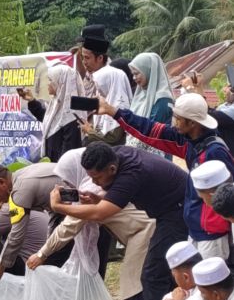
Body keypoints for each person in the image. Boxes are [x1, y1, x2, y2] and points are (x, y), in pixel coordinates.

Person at [50, 142, 188, 300]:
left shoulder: (131, 173)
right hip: (167, 211)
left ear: (111, 170)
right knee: (166, 275)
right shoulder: (117, 157)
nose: (94, 183)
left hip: (178, 211)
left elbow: (98, 214)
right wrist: (99, 199)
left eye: (97, 178)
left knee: (152, 275)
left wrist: (58, 207)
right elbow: (109, 203)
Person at [27, 147, 155, 300]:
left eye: (68, 179)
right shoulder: (94, 187)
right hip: (139, 231)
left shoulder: (92, 186)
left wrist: (42, 254)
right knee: (142, 282)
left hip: (143, 232)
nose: (68, 185)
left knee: (132, 283)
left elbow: (68, 227)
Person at [98, 92, 234, 259]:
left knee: (212, 281)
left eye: (177, 118)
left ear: (192, 123)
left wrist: (216, 225)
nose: (173, 122)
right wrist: (115, 112)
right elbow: (152, 130)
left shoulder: (215, 151)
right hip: (196, 228)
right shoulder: (189, 141)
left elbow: (228, 195)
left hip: (213, 233)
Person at [0, 162, 65, 281]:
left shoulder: (19, 191)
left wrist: (0, 267)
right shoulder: (21, 178)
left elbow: (16, 233)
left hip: (82, 213)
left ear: (1, 182)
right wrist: (46, 251)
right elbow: (55, 215)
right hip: (70, 215)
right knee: (54, 264)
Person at [18, 65, 83, 162]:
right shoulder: (57, 103)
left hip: (60, 170)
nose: (48, 84)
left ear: (60, 83)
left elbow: (67, 156)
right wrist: (32, 101)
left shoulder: (71, 116)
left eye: (50, 80)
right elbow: (48, 120)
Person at [79, 28, 132, 135]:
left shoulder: (112, 77)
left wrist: (91, 132)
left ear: (99, 58)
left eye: (87, 58)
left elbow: (114, 134)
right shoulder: (88, 78)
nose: (84, 62)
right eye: (82, 58)